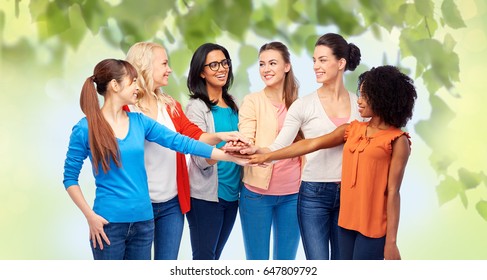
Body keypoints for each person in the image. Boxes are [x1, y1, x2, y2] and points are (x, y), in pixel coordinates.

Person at [62, 58, 247, 260]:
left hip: (144, 222)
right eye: (132, 81)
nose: (137, 87)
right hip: (108, 225)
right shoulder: (84, 128)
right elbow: (70, 178)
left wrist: (228, 156)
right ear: (115, 85)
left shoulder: (140, 122)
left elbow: (181, 142)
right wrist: (90, 217)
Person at [247, 65, 417, 260]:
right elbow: (312, 143)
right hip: (346, 223)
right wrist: (267, 156)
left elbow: (394, 193)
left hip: (374, 227)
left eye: (365, 95)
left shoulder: (398, 140)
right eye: (359, 94)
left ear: (382, 97)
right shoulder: (351, 129)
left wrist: (391, 242)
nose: (359, 101)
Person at [232, 33, 363, 260]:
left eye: (322, 60)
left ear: (341, 63)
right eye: (314, 60)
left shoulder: (356, 104)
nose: (316, 66)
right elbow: (278, 143)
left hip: (328, 192)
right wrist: (258, 151)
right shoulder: (300, 104)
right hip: (297, 192)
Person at [124, 42, 248, 260]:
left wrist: (221, 136)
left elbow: (194, 136)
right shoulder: (126, 109)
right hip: (139, 203)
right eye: (164, 63)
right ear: (145, 67)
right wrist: (224, 152)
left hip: (172, 204)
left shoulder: (170, 105)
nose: (169, 69)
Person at [236, 42, 302, 259]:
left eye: (272, 63)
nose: (266, 69)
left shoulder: (299, 104)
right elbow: (246, 137)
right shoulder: (252, 101)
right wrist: (246, 147)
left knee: (286, 262)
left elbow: (308, 146)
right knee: (257, 261)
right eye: (262, 64)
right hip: (257, 194)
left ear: (286, 66)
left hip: (293, 194)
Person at [185, 43, 242, 260]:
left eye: (225, 62)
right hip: (205, 197)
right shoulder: (196, 107)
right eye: (214, 65)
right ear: (201, 71)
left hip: (231, 194)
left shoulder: (233, 103)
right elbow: (199, 158)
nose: (222, 69)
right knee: (204, 260)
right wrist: (228, 150)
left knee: (215, 258)